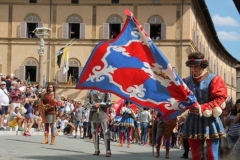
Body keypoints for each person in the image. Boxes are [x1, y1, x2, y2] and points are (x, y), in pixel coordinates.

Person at [182, 52, 227, 160]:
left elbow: (220, 98)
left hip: (210, 118)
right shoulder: (186, 81)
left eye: (196, 66)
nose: (194, 69)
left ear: (202, 65)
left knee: (212, 155)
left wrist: (203, 107)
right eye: (191, 66)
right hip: (192, 119)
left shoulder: (214, 79)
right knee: (195, 156)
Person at [84, 90, 112, 157]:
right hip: (93, 112)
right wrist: (93, 105)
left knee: (106, 131)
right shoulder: (90, 91)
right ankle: (96, 149)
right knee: (94, 131)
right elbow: (86, 103)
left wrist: (101, 104)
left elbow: (109, 102)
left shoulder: (106, 90)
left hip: (103, 111)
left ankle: (108, 150)